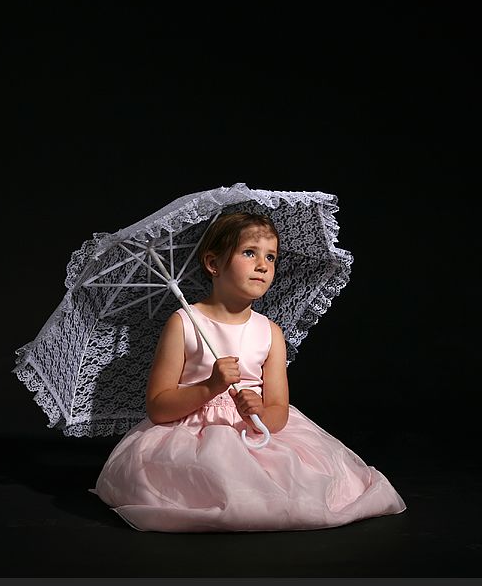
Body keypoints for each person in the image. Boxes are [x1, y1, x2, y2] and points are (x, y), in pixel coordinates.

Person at [90, 212, 407, 532]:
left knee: (293, 492)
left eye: (271, 256)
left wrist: (260, 413)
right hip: (193, 432)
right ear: (213, 263)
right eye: (249, 253)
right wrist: (210, 386)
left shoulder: (270, 333)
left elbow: (278, 411)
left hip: (253, 431)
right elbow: (158, 407)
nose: (263, 265)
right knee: (214, 486)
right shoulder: (184, 323)